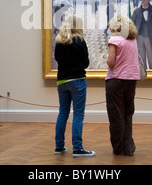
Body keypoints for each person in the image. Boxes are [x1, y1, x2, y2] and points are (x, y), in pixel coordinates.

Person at [54, 15, 95, 157]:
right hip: (77, 80)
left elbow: (58, 60)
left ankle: (59, 146)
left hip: (62, 81)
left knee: (63, 113)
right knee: (78, 114)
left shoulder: (59, 41)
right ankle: (77, 148)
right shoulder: (79, 40)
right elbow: (85, 63)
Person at [105, 15, 140, 156]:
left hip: (116, 80)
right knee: (127, 113)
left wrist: (107, 60)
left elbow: (111, 62)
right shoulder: (132, 40)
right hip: (131, 80)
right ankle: (128, 146)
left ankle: (118, 148)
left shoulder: (115, 40)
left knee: (115, 114)